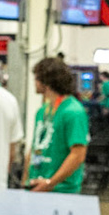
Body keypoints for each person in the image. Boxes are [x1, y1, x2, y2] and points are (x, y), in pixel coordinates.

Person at [27, 57, 89, 193]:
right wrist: (25, 181)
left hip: (61, 191)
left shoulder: (73, 112)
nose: (34, 82)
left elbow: (78, 154)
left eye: (36, 78)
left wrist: (50, 183)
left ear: (47, 81)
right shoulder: (42, 111)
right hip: (36, 186)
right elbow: (35, 148)